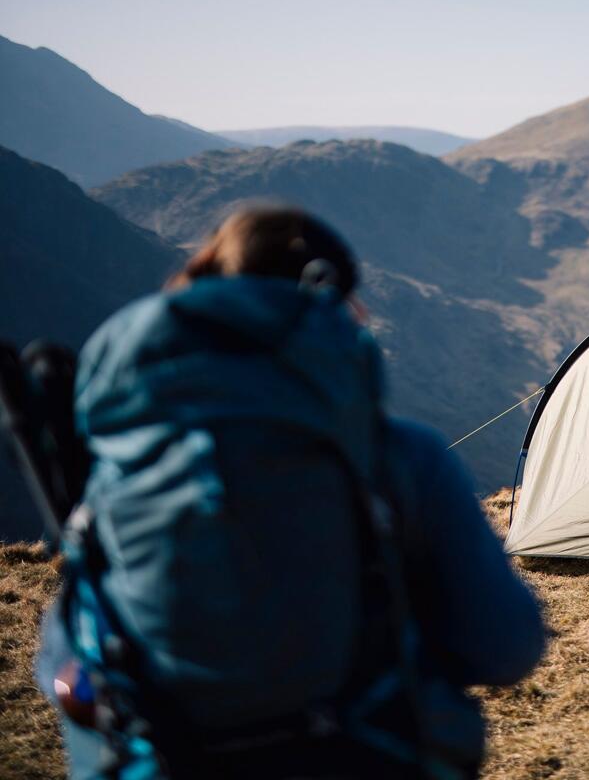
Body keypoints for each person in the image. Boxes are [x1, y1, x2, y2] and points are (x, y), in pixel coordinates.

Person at [35, 207, 545, 778]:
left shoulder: (121, 461)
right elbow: (506, 646)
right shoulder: (400, 457)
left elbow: (67, 661)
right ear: (328, 304)